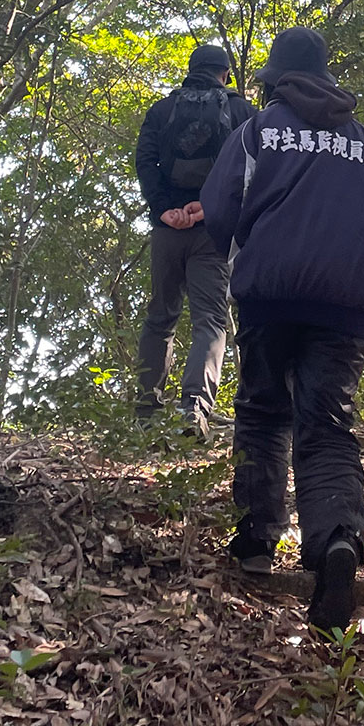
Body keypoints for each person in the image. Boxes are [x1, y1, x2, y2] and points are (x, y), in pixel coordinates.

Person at [201, 27, 364, 630]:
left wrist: (244, 245)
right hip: (342, 306)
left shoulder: (257, 133)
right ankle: (337, 538)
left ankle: (259, 542)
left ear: (274, 81)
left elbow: (219, 210)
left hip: (268, 295)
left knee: (263, 411)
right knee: (328, 422)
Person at [134, 42, 253, 436]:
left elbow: (145, 161)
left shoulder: (162, 110)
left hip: (167, 230)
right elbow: (250, 168)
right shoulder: (240, 111)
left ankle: (146, 414)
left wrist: (164, 209)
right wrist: (210, 206)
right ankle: (194, 408)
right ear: (225, 74)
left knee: (160, 318)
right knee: (211, 319)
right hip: (213, 232)